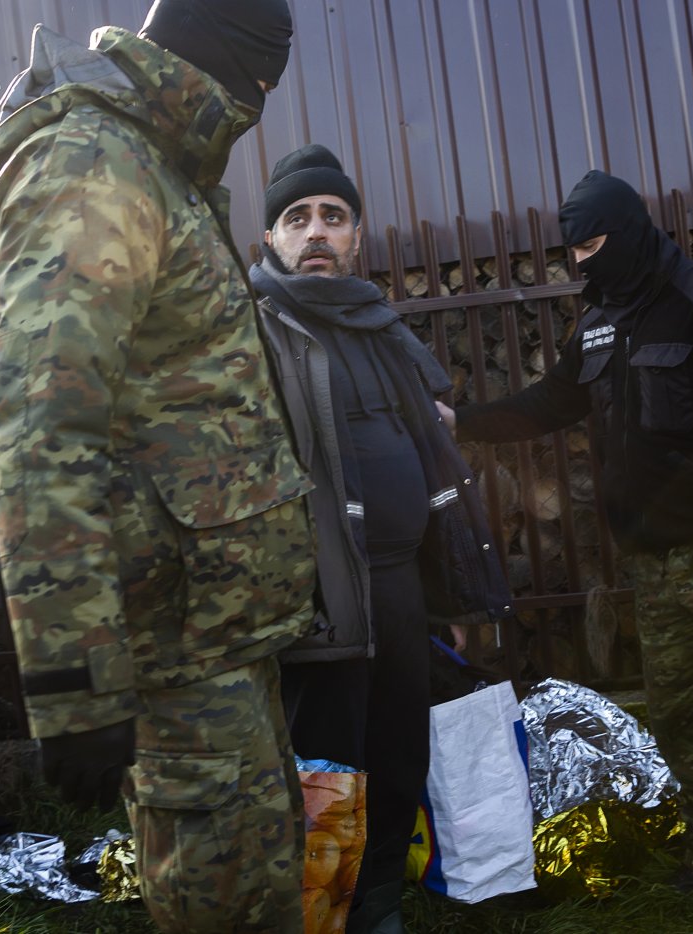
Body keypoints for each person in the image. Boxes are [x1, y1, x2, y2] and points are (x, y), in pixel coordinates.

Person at [0, 3, 316, 931]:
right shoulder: (92, 163)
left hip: (213, 639)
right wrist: (74, 683)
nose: (255, 109)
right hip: (171, 652)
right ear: (226, 65)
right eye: (259, 86)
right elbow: (42, 424)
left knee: (259, 891)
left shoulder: (153, 162)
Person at [447, 170, 693, 934]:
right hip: (654, 566)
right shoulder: (598, 319)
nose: (583, 261)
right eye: (573, 250)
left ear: (625, 231)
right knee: (686, 721)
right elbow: (553, 401)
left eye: (593, 244)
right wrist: (459, 420)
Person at [253, 144, 515, 934]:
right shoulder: (254, 337)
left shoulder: (382, 328)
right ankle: (323, 916)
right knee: (328, 768)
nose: (316, 231)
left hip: (402, 585)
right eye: (297, 218)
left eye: (332, 216)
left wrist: (453, 596)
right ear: (271, 241)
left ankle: (377, 907)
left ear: (358, 235)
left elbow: (439, 462)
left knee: (401, 753)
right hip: (320, 595)